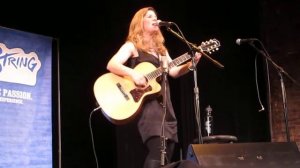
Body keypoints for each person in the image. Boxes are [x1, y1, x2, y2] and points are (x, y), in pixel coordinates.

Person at [106, 7, 202, 168]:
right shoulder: (132, 46)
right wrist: (134, 74)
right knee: (157, 153)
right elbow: (112, 64)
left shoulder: (161, 51)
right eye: (149, 17)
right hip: (149, 110)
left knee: (167, 154)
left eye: (156, 17)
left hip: (166, 108)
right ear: (140, 22)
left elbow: (173, 71)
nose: (154, 19)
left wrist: (190, 65)